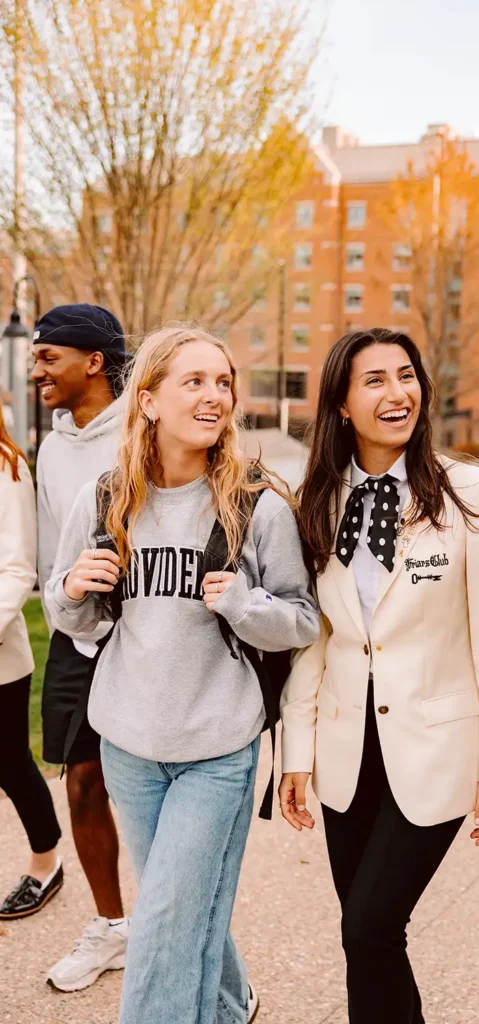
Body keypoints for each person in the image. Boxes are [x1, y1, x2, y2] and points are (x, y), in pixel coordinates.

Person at [44, 323, 319, 1024]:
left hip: (216, 750)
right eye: (193, 382)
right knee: (183, 901)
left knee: (165, 916)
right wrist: (72, 589)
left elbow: (300, 619)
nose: (214, 396)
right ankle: (230, 1004)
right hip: (129, 745)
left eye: (222, 382)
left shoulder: (256, 505)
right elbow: (74, 624)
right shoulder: (104, 501)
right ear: (150, 401)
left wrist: (246, 605)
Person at [279, 327, 479, 1024]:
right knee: (369, 938)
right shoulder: (318, 499)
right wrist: (296, 754)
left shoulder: (467, 494)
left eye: (405, 375)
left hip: (436, 749)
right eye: (375, 380)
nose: (398, 393)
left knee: (368, 928)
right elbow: (314, 642)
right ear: (341, 406)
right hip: (344, 751)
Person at [32, 302, 131, 991]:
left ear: (93, 363)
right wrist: (62, 599)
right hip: (76, 635)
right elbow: (47, 558)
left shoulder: (143, 428)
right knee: (82, 782)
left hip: (149, 634)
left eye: (48, 357)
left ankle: (182, 932)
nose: (36, 368)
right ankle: (113, 928)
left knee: (157, 789)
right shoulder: (51, 445)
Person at [0, 403, 63, 919]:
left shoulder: (8, 466)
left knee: (10, 764)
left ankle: (45, 861)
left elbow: (18, 569)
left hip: (1, 656)